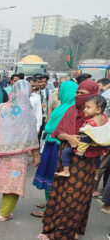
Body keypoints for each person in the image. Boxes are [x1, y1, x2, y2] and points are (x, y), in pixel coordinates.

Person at [39, 79, 101, 240]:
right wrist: (68, 137)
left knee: (76, 200)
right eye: (77, 93)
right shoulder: (71, 110)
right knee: (60, 195)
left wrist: (90, 140)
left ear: (94, 96)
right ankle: (54, 230)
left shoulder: (100, 118)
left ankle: (67, 232)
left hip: (85, 164)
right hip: (65, 160)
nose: (79, 97)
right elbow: (56, 131)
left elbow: (104, 140)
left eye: (84, 94)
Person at [0, 80, 40, 221]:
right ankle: (4, 214)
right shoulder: (29, 112)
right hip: (18, 157)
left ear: (13, 91)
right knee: (12, 186)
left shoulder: (1, 108)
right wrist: (36, 156)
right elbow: (32, 136)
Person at [31, 80, 78, 218]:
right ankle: (51, 204)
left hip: (54, 146)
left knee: (51, 176)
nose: (58, 93)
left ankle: (49, 210)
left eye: (60, 90)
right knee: (58, 178)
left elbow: (50, 128)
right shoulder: (77, 109)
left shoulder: (62, 109)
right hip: (66, 148)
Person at [55, 95, 109, 177]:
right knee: (98, 158)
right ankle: (97, 174)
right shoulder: (104, 118)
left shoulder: (89, 123)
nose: (84, 109)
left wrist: (80, 151)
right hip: (98, 146)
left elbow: (85, 138)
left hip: (85, 146)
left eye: (88, 107)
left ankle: (66, 171)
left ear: (98, 110)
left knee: (65, 152)